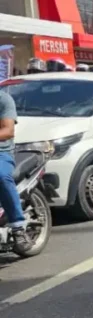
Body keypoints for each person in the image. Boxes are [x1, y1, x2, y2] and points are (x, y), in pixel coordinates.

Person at [0, 87, 30, 250]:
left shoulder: (3, 99)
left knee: (1, 176)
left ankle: (18, 227)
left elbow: (8, 130)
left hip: (1, 152)